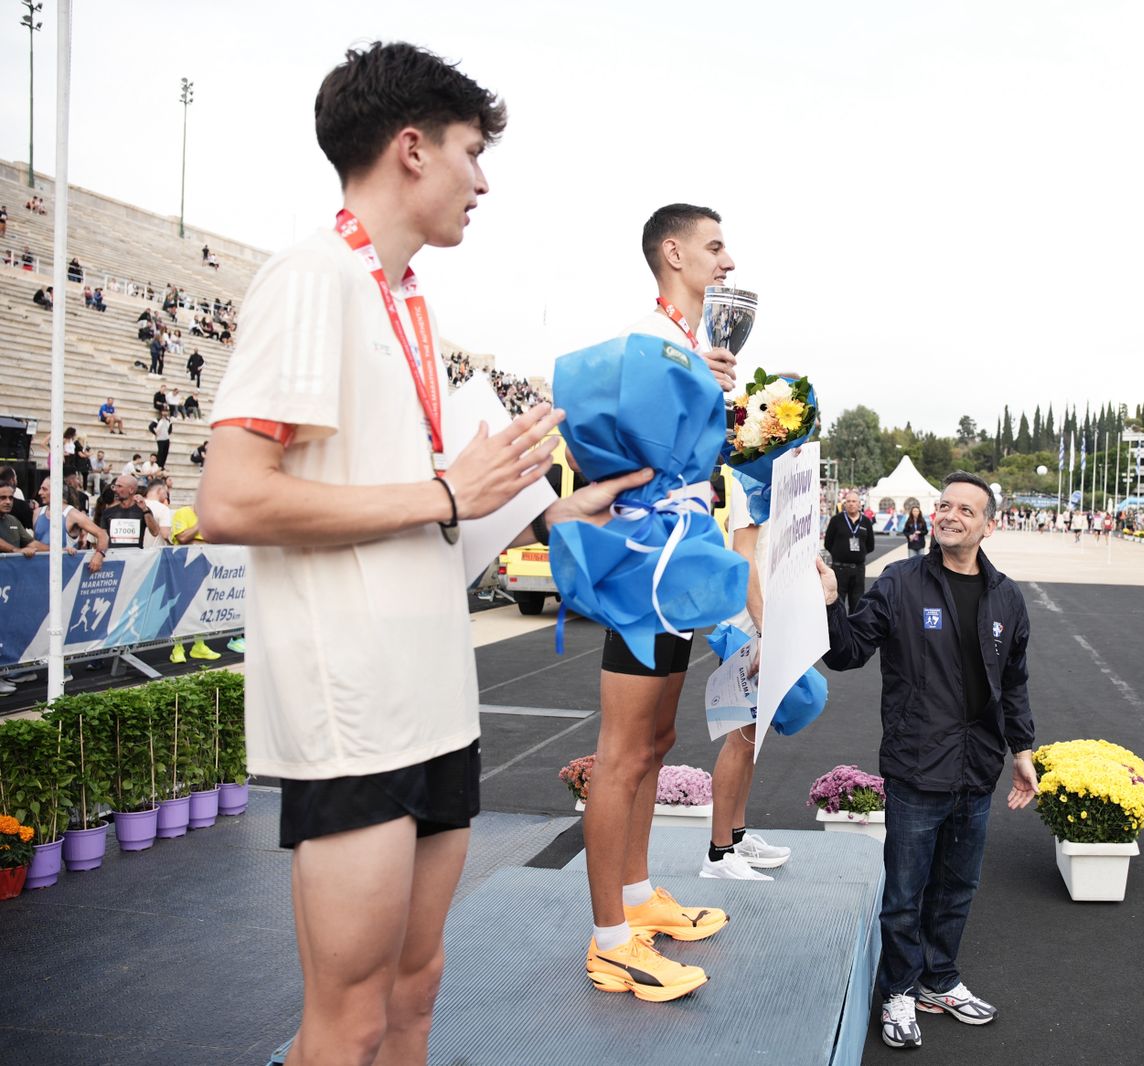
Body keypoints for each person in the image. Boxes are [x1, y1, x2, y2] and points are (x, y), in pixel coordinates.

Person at [197, 42, 656, 1066]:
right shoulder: (313, 277)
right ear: (412, 148)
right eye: (471, 152)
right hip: (354, 714)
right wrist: (449, 492)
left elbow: (423, 510)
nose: (482, 180)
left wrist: (546, 513)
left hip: (434, 699)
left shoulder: (408, 301)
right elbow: (228, 499)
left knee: (416, 992)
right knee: (350, 1019)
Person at [578, 202, 740, 1006]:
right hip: (646, 569)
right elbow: (616, 456)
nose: (728, 261)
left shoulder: (686, 344)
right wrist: (688, 388)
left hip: (676, 563)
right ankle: (611, 942)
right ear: (673, 253)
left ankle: (638, 895)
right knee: (621, 753)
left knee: (657, 739)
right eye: (715, 246)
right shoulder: (647, 343)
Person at [819, 471, 1035, 1050]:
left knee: (957, 888)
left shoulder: (1007, 596)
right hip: (917, 766)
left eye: (966, 509)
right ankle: (898, 990)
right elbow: (846, 653)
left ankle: (939, 981)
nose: (949, 515)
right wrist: (833, 604)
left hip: (977, 768)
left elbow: (1013, 682)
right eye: (944, 505)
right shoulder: (901, 582)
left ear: (989, 526)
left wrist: (1022, 750)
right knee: (905, 895)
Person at [700, 477, 796, 882]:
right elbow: (743, 556)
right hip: (746, 631)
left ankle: (736, 838)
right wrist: (762, 629)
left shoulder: (777, 482)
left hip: (762, 626)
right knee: (739, 740)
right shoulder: (747, 484)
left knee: (751, 739)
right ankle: (719, 854)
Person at [823, 490, 875, 611]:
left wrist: (859, 554)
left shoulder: (866, 522)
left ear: (859, 504)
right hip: (839, 568)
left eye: (854, 501)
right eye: (848, 501)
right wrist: (840, 554)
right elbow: (828, 543)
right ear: (845, 504)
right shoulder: (836, 520)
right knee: (837, 603)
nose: (851, 504)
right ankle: (838, 624)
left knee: (857, 603)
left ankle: (854, 624)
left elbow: (870, 545)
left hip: (858, 569)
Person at [99, 474, 162, 551]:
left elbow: (155, 532)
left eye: (119, 486)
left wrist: (145, 509)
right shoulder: (108, 512)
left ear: (131, 490)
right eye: (114, 486)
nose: (115, 490)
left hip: (135, 556)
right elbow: (102, 537)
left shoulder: (143, 510)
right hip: (113, 556)